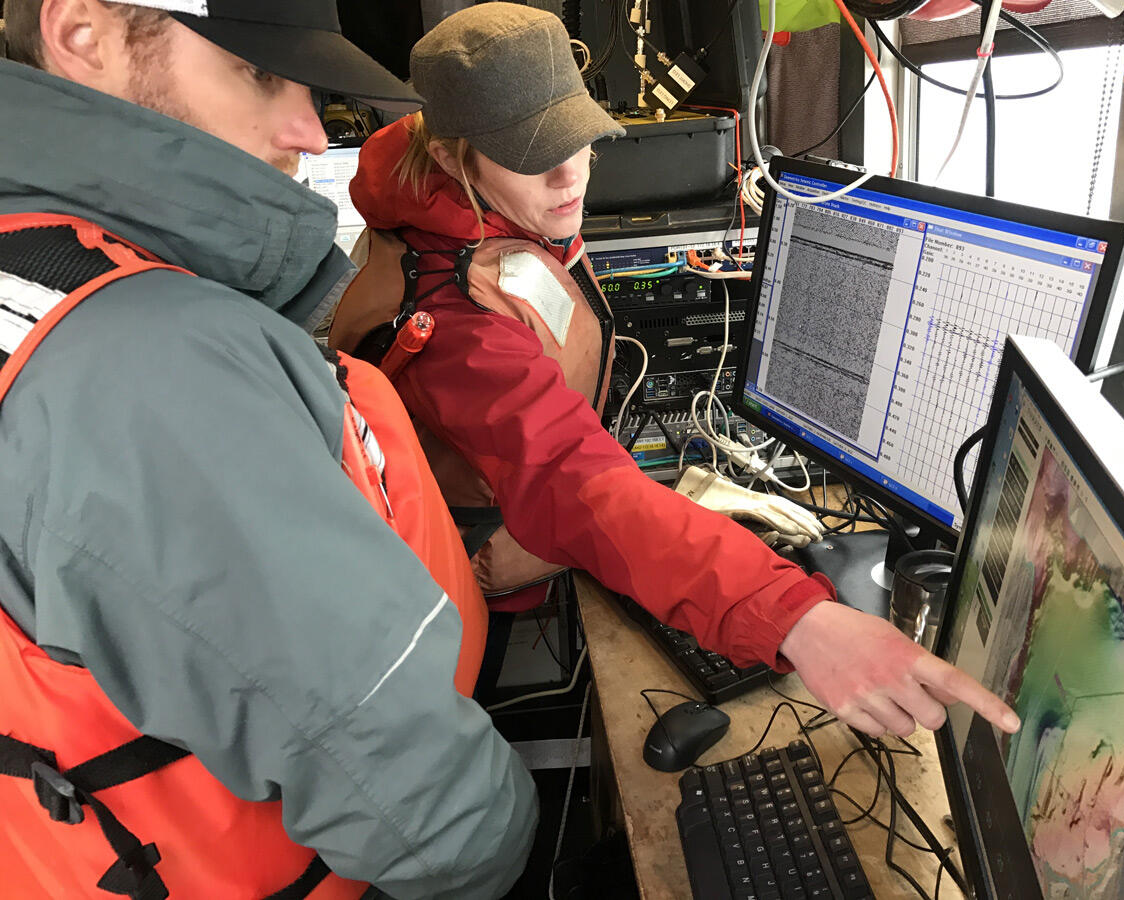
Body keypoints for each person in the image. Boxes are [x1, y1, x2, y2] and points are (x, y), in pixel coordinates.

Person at [334, 3, 1021, 742]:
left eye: (579, 139)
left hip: (529, 520)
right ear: (450, 156)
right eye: (533, 152)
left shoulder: (477, 214)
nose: (571, 175)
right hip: (475, 588)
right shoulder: (456, 325)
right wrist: (800, 621)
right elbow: (575, 484)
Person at [0, 2, 537, 897]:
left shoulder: (42, 277)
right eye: (257, 72)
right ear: (82, 34)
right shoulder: (147, 362)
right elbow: (430, 820)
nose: (307, 128)